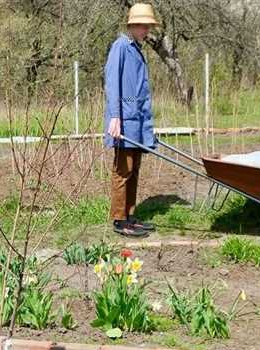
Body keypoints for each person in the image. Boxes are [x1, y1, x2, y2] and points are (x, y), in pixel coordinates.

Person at [104, 2, 158, 238]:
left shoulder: (137, 49)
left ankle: (130, 216)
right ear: (133, 25)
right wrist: (115, 116)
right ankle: (119, 219)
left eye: (148, 26)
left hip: (137, 122)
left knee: (134, 169)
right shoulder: (120, 47)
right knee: (122, 170)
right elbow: (112, 82)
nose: (147, 30)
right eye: (143, 26)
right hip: (124, 120)